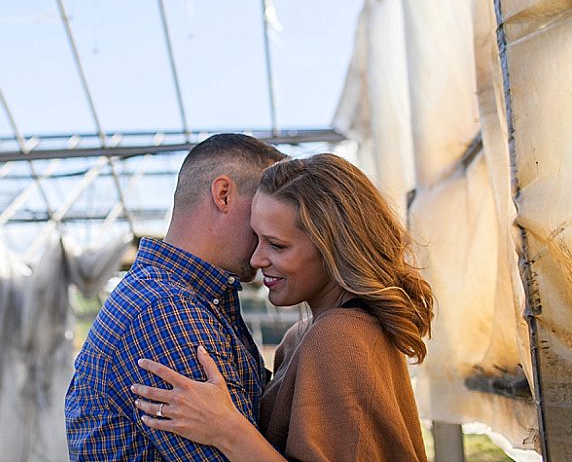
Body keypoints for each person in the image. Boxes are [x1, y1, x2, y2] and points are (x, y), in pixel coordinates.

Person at [131, 153, 434, 461]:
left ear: (335, 248)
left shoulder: (339, 336)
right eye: (256, 238)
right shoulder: (305, 335)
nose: (256, 259)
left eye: (277, 245)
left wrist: (226, 430)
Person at [65, 134, 287, 460]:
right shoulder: (165, 311)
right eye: (262, 213)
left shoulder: (192, 300)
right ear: (223, 195)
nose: (269, 235)